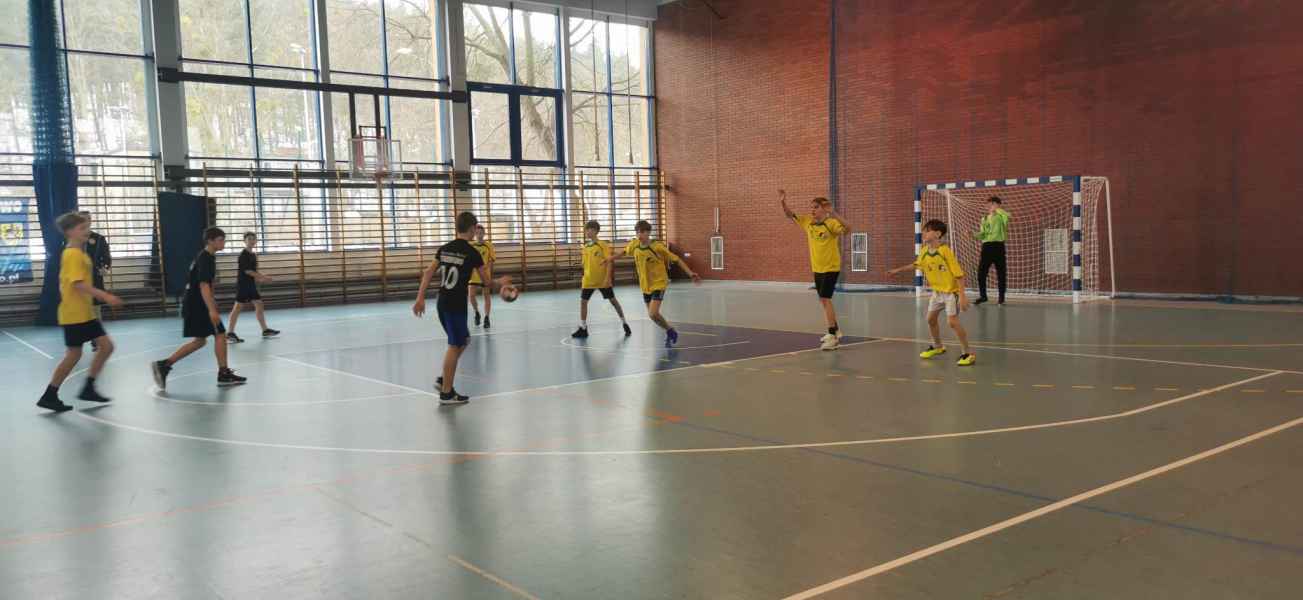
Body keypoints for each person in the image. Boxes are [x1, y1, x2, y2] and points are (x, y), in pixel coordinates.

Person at [412, 212, 512, 405]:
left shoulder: (444, 248)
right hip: (455, 303)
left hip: (442, 301)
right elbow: (487, 282)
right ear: (473, 228)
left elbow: (428, 272)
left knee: (464, 340)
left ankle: (444, 379)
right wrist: (501, 283)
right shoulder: (472, 253)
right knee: (454, 345)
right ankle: (446, 393)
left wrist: (420, 298)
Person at [37, 212, 124, 412]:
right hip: (75, 314)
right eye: (82, 228)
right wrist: (105, 296)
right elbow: (77, 284)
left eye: (87, 227)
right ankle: (63, 392)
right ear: (69, 232)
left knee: (91, 350)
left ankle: (72, 390)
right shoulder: (73, 254)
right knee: (85, 352)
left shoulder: (78, 252)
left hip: (83, 312)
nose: (87, 231)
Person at [151, 227, 248, 390]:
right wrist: (212, 310)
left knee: (200, 341)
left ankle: (164, 365)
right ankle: (223, 373)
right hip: (197, 304)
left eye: (224, 239)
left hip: (196, 303)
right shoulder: (205, 258)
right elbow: (203, 285)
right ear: (210, 241)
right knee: (220, 334)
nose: (223, 242)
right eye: (220, 240)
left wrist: (213, 300)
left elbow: (208, 283)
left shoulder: (207, 256)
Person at [888, 219, 975, 366]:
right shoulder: (924, 251)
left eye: (927, 231)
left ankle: (968, 353)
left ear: (938, 234)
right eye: (924, 230)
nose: (924, 233)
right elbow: (916, 264)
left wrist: (962, 296)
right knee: (930, 319)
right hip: (937, 293)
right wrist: (898, 270)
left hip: (950, 293)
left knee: (952, 322)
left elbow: (959, 275)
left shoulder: (945, 251)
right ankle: (938, 346)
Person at [609, 220, 700, 348]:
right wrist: (609, 259)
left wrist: (690, 273)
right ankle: (670, 330)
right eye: (637, 232)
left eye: (642, 232)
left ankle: (670, 330)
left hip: (659, 283)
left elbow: (677, 259)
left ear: (648, 233)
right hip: (645, 286)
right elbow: (623, 252)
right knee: (653, 316)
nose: (639, 235)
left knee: (653, 313)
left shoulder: (657, 247)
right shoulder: (634, 245)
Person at [780, 190, 848, 350]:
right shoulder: (808, 222)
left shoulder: (831, 223)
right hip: (817, 268)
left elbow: (848, 228)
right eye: (812, 207)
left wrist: (833, 213)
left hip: (831, 267)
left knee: (825, 298)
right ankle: (836, 330)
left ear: (824, 209)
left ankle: (832, 336)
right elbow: (790, 215)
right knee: (823, 300)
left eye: (816, 207)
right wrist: (783, 202)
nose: (812, 210)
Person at [572, 220, 632, 339]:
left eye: (589, 229)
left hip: (602, 280)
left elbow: (609, 261)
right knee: (583, 302)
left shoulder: (602, 245)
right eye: (586, 230)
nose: (586, 232)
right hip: (588, 281)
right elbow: (585, 264)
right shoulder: (586, 247)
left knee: (613, 302)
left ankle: (624, 323)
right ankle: (583, 328)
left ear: (595, 231)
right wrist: (584, 275)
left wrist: (607, 278)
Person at [227, 232, 280, 343]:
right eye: (249, 239)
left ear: (256, 241)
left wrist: (259, 280)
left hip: (251, 285)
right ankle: (230, 333)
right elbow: (248, 271)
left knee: (259, 304)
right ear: (245, 241)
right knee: (237, 308)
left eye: (253, 239)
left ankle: (265, 330)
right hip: (243, 285)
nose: (251, 241)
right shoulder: (243, 255)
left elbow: (254, 271)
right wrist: (263, 277)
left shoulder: (253, 255)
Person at [79, 211, 111, 350]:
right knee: (80, 310)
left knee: (95, 309)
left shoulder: (98, 238)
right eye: (82, 220)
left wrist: (105, 268)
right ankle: (80, 338)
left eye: (88, 219)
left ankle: (97, 339)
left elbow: (106, 257)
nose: (85, 222)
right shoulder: (72, 239)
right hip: (78, 280)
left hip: (95, 279)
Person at [974, 196, 1010, 305]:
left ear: (998, 205)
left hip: (998, 246)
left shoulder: (1001, 216)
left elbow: (1008, 216)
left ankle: (1001, 298)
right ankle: (983, 296)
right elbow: (983, 234)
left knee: (1001, 273)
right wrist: (973, 234)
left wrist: (998, 209)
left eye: (993, 204)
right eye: (989, 204)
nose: (990, 206)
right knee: (981, 273)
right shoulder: (984, 218)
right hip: (987, 247)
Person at [468, 224, 496, 329]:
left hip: (485, 274)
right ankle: (477, 313)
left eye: (481, 233)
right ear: (475, 234)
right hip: (473, 274)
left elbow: (491, 260)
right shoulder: (470, 245)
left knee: (486, 295)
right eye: (477, 233)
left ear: (484, 234)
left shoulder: (489, 245)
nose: (479, 235)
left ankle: (487, 318)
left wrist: (487, 269)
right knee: (471, 296)